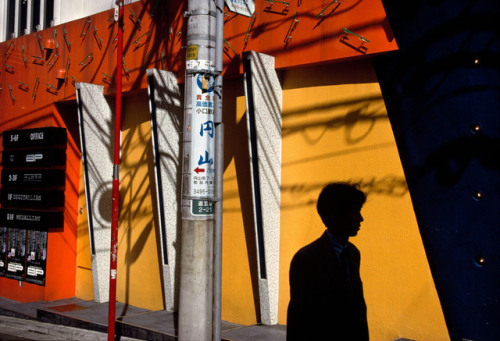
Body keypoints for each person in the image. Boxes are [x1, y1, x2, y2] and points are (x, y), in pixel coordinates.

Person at [287, 182, 369, 341]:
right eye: (354, 211)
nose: (361, 218)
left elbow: (358, 308)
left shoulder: (353, 253)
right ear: (335, 215)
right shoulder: (306, 259)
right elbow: (298, 320)